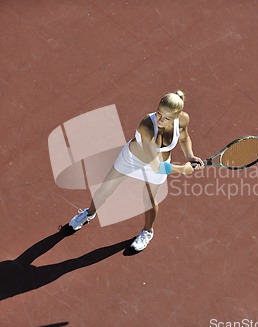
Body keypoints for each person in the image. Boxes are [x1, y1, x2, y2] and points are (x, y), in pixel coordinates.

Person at [69, 90, 204, 251]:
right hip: (132, 160)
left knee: (149, 200)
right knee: (106, 189)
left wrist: (190, 156)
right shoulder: (146, 125)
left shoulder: (183, 119)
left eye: (166, 117)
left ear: (176, 116)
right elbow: (157, 168)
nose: (160, 119)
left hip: (161, 164)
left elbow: (184, 138)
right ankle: (89, 213)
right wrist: (183, 169)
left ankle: (147, 231)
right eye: (159, 113)